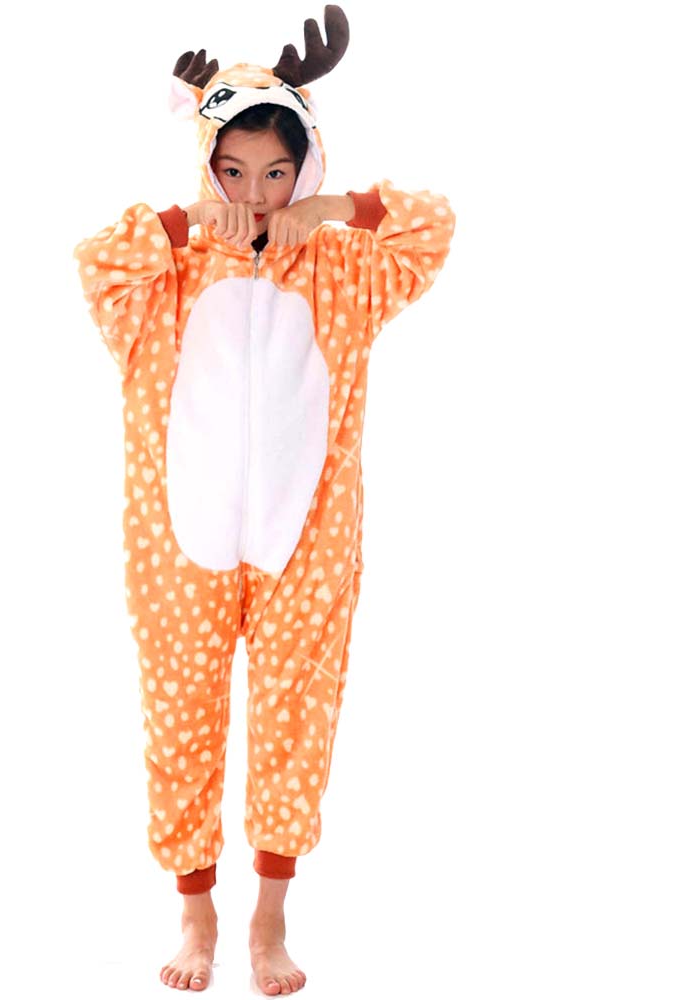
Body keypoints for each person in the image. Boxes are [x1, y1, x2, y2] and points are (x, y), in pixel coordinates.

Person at [72, 7, 455, 993]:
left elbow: (431, 222)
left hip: (305, 545)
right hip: (178, 546)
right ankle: (194, 912)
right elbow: (95, 260)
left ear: (305, 165)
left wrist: (328, 212)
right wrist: (185, 222)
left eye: (277, 172)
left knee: (295, 719)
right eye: (234, 170)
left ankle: (269, 918)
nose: (255, 192)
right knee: (180, 721)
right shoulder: (161, 274)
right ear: (207, 166)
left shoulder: (344, 267)